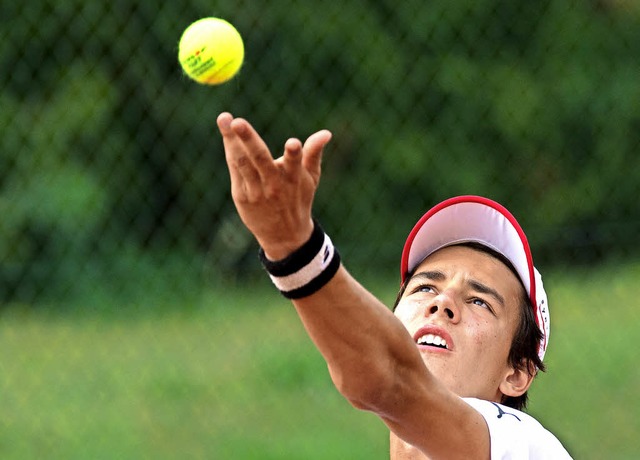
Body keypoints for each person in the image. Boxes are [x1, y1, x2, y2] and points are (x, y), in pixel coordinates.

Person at [216, 112, 572, 459]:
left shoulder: (528, 447)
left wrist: (294, 250)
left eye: (480, 301)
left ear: (517, 372)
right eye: (424, 288)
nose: (443, 301)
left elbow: (391, 379)